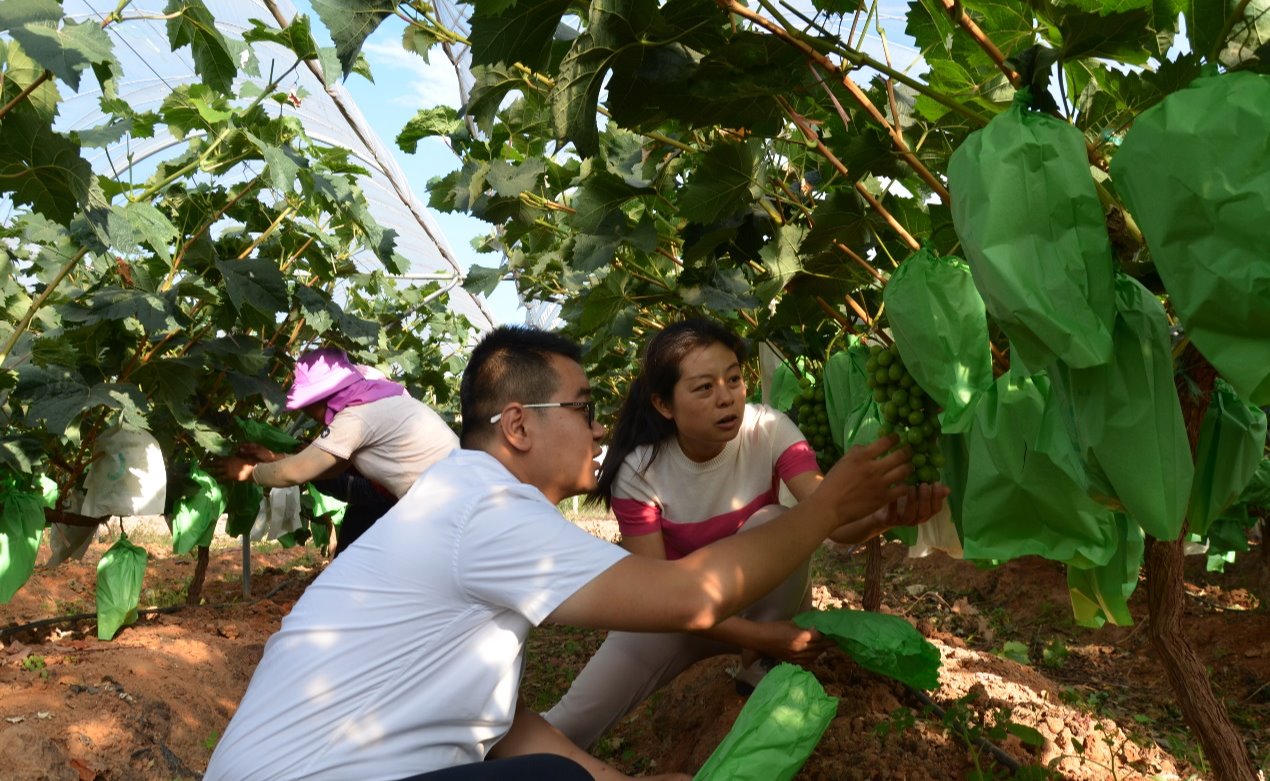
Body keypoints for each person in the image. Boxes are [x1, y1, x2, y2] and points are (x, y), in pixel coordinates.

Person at [203, 325, 944, 781]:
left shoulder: (462, 500)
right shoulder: (486, 507)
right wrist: (823, 510)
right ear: (518, 425)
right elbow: (687, 597)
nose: (597, 428)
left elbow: (498, 721)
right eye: (584, 408)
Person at [544, 318, 926, 749]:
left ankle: (759, 670)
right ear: (664, 404)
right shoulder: (641, 471)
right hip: (678, 622)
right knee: (568, 727)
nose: (726, 397)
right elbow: (657, 600)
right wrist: (763, 637)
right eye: (704, 388)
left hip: (766, 610)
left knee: (777, 519)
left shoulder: (768, 430)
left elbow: (827, 517)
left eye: (733, 379)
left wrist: (883, 519)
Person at [213, 348, 459, 548]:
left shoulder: (356, 417)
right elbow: (333, 467)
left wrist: (249, 472)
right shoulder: (378, 399)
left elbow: (297, 472)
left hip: (441, 510)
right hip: (453, 496)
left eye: (308, 407)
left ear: (322, 398)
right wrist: (277, 458)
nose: (309, 415)